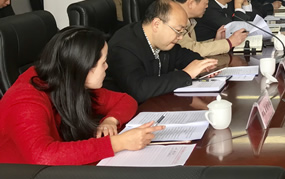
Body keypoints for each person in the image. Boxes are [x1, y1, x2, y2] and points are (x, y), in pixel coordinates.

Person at [0, 27, 164, 165]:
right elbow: (43, 155)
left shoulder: (69, 80)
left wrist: (110, 120)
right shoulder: (25, 100)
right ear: (84, 67)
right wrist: (117, 143)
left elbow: (125, 100)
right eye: (103, 63)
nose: (107, 67)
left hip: (53, 176)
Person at [105, 0, 218, 103]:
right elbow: (139, 90)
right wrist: (186, 74)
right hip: (128, 112)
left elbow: (181, 54)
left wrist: (201, 64)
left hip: (158, 103)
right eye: (178, 31)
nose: (180, 37)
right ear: (156, 24)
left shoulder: (162, 41)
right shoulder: (123, 47)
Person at [174, 0, 247, 56]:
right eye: (205, 3)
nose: (207, 6)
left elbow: (193, 45)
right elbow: (191, 50)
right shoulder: (174, 19)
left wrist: (216, 41)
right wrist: (229, 42)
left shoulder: (186, 18)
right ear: (191, 3)